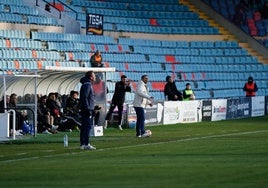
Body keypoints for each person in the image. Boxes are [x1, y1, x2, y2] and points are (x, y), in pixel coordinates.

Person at [79, 71, 96, 150]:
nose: (95, 77)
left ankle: (82, 144)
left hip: (86, 108)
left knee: (84, 127)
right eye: (94, 75)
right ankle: (86, 143)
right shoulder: (88, 85)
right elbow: (85, 97)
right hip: (87, 109)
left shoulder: (85, 84)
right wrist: (88, 108)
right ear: (91, 77)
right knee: (87, 127)